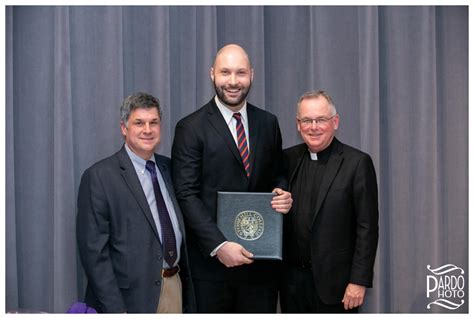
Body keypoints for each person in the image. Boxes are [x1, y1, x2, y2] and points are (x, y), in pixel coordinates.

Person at [171, 44, 292, 313]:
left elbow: (279, 174)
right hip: (212, 269)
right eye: (226, 72)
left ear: (252, 74)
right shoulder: (191, 127)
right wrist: (219, 245)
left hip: (261, 268)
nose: (234, 82)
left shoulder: (268, 122)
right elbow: (186, 194)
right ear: (212, 74)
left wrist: (282, 193)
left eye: (241, 73)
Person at [76, 92, 195, 313]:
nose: (147, 130)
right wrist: (116, 310)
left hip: (174, 287)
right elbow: (94, 255)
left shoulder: (170, 169)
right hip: (128, 301)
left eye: (154, 122)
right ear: (124, 128)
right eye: (139, 123)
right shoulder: (99, 177)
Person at [281, 90, 379, 313]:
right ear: (298, 124)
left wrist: (358, 281)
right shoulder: (286, 160)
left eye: (321, 120)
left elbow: (367, 228)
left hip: (338, 287)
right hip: (292, 286)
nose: (313, 126)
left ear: (335, 122)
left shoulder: (357, 163)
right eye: (306, 120)